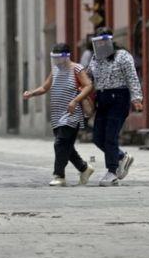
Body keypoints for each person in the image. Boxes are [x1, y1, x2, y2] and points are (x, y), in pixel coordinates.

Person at [24, 43, 95, 187]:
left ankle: (59, 175)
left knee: (60, 144)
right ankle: (84, 168)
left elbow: (88, 85)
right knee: (66, 146)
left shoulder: (77, 68)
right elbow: (45, 87)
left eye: (58, 57)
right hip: (57, 114)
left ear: (66, 56)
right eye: (54, 58)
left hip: (72, 114)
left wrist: (75, 100)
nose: (56, 60)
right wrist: (31, 93)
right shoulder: (55, 70)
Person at [88, 28, 144, 186]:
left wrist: (137, 98)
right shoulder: (95, 58)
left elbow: (132, 77)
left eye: (103, 42)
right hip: (102, 98)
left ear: (110, 41)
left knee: (110, 136)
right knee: (98, 137)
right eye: (97, 42)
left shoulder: (123, 56)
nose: (101, 45)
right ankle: (121, 157)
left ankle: (112, 172)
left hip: (119, 98)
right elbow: (88, 75)